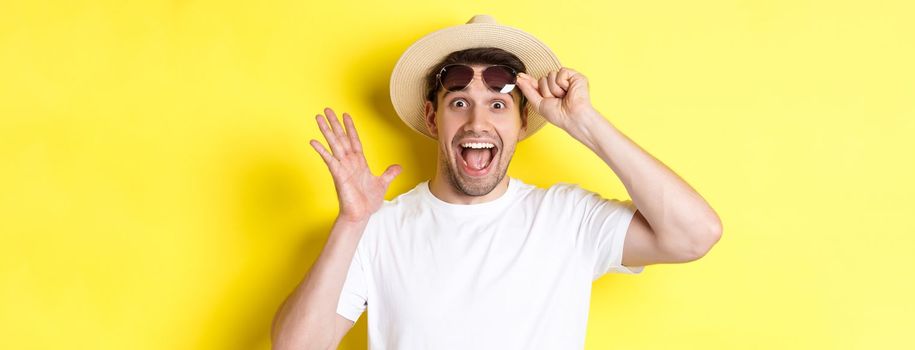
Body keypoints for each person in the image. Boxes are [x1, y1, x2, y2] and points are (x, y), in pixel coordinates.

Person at [271, 14, 722, 350]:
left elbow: (695, 234)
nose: (478, 122)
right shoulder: (377, 230)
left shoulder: (567, 218)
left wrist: (583, 122)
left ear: (524, 122)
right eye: (460, 103)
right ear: (432, 118)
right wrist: (351, 222)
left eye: (499, 105)